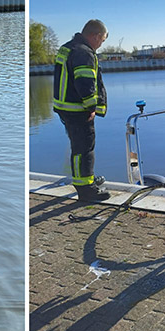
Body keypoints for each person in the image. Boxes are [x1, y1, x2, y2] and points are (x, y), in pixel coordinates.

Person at [53, 19, 109, 202]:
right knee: (84, 149)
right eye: (102, 40)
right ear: (95, 36)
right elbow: (85, 83)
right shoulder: (84, 53)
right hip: (78, 110)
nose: (101, 44)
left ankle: (87, 180)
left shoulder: (68, 47)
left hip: (66, 108)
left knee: (79, 147)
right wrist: (91, 107)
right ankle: (86, 190)